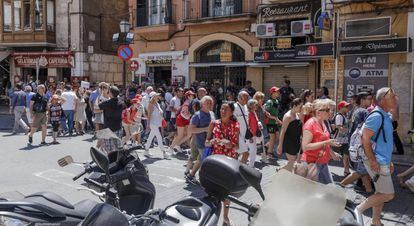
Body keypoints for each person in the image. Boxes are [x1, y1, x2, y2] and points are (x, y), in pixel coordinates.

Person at [357, 87, 397, 226]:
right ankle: (358, 210)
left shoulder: (385, 115)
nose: (395, 98)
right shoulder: (376, 115)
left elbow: (385, 141)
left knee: (381, 192)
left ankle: (376, 222)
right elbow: (365, 138)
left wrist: (389, 160)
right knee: (388, 195)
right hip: (376, 161)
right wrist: (373, 161)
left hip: (383, 160)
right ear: (382, 100)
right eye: (392, 96)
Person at [206, 101, 239, 226]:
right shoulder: (213, 123)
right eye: (221, 109)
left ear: (231, 112)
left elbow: (236, 146)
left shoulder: (235, 125)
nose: (222, 111)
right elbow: (206, 143)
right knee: (213, 191)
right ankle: (212, 217)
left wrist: (229, 143)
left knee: (227, 193)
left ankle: (225, 217)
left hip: (228, 163)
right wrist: (212, 141)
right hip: (215, 161)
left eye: (225, 109)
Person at [341, 92, 374, 194]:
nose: (371, 101)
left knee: (362, 168)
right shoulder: (364, 112)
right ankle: (340, 185)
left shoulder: (354, 110)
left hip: (354, 143)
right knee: (361, 170)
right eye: (369, 99)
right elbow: (365, 130)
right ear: (363, 100)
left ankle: (369, 190)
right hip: (361, 144)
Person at [301, 99, 341, 184]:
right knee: (312, 192)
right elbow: (305, 147)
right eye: (327, 110)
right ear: (318, 112)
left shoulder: (323, 122)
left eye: (331, 110)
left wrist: (332, 154)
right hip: (311, 163)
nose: (330, 112)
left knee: (329, 189)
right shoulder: (310, 125)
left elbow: (325, 142)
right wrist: (326, 143)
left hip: (322, 162)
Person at [186, 96, 215, 184]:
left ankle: (191, 175)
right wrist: (205, 129)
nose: (210, 104)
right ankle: (200, 177)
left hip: (211, 142)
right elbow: (191, 130)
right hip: (201, 142)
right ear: (202, 104)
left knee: (200, 159)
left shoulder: (212, 114)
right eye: (208, 103)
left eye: (211, 103)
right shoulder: (197, 115)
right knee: (204, 161)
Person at [277, 98, 303, 172]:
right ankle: (281, 171)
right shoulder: (288, 116)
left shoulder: (297, 114)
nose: (301, 108)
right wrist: (280, 145)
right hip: (289, 142)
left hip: (296, 141)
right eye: (300, 106)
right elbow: (283, 131)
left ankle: (281, 170)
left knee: (293, 162)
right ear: (294, 106)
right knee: (291, 162)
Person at [98, 86, 125, 154]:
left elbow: (98, 106)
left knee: (109, 149)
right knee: (118, 147)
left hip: (108, 128)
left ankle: (111, 162)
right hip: (118, 127)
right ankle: (117, 162)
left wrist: (101, 94)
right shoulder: (121, 102)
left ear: (110, 93)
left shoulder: (107, 103)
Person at [145, 91, 170, 159]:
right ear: (153, 97)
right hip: (153, 124)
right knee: (159, 137)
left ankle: (146, 150)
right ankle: (164, 152)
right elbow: (149, 116)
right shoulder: (151, 105)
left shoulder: (157, 104)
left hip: (157, 123)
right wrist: (148, 125)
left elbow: (160, 113)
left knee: (151, 137)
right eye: (156, 96)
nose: (158, 96)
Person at [333, 101, 351, 176]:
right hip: (337, 140)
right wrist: (349, 130)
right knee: (330, 155)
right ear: (341, 108)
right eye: (346, 107)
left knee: (346, 155)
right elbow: (339, 127)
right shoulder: (339, 116)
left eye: (348, 106)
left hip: (344, 140)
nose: (348, 108)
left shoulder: (344, 116)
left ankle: (346, 170)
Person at [264, 87, 283, 159]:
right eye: (276, 92)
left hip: (275, 122)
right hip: (270, 122)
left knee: (277, 137)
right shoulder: (269, 102)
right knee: (272, 137)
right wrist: (275, 118)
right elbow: (266, 113)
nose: (278, 93)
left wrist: (278, 120)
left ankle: (267, 146)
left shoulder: (276, 101)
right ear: (272, 93)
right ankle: (270, 153)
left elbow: (275, 113)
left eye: (278, 91)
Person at [234, 91, 250, 164]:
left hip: (245, 135)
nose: (247, 99)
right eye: (245, 98)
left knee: (237, 154)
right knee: (246, 153)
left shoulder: (246, 107)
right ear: (240, 98)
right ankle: (241, 170)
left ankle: (233, 168)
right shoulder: (234, 107)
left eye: (248, 97)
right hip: (237, 135)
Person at [253, 91, 269, 163]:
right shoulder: (255, 108)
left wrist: (266, 113)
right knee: (259, 142)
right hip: (258, 128)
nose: (262, 100)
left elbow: (264, 114)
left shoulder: (261, 106)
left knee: (264, 142)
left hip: (263, 126)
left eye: (263, 99)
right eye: (261, 99)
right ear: (257, 99)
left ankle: (263, 156)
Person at [246, 99, 261, 168]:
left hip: (254, 135)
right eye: (255, 104)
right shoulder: (249, 113)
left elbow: (256, 121)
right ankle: (251, 166)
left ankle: (244, 161)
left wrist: (259, 123)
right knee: (253, 151)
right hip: (251, 135)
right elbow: (247, 125)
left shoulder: (253, 112)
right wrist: (250, 137)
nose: (257, 106)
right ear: (251, 106)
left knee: (250, 149)